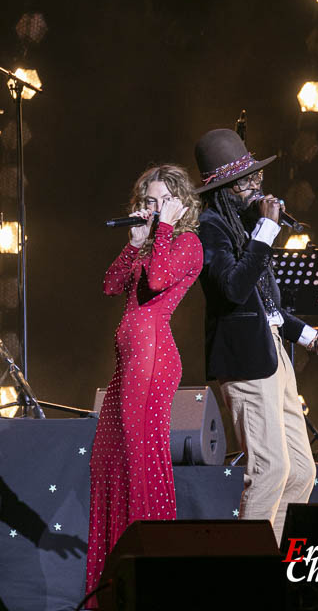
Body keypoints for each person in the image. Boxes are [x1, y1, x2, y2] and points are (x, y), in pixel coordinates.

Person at [194, 128, 318, 545]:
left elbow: (267, 305)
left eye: (257, 177)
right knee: (269, 469)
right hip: (245, 361)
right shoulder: (210, 227)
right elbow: (232, 289)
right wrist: (265, 232)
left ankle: (272, 563)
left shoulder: (245, 224)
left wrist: (314, 338)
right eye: (247, 180)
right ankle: (245, 574)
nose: (257, 185)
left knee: (302, 471)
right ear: (225, 187)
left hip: (273, 355)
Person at [85, 164, 203, 606]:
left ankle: (149, 581)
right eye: (146, 202)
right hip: (127, 362)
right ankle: (111, 585)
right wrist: (135, 244)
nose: (149, 209)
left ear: (178, 203)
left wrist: (166, 228)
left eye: (157, 202)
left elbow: (156, 281)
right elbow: (111, 285)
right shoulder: (151, 245)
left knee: (140, 460)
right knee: (108, 461)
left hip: (152, 361)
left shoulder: (188, 244)